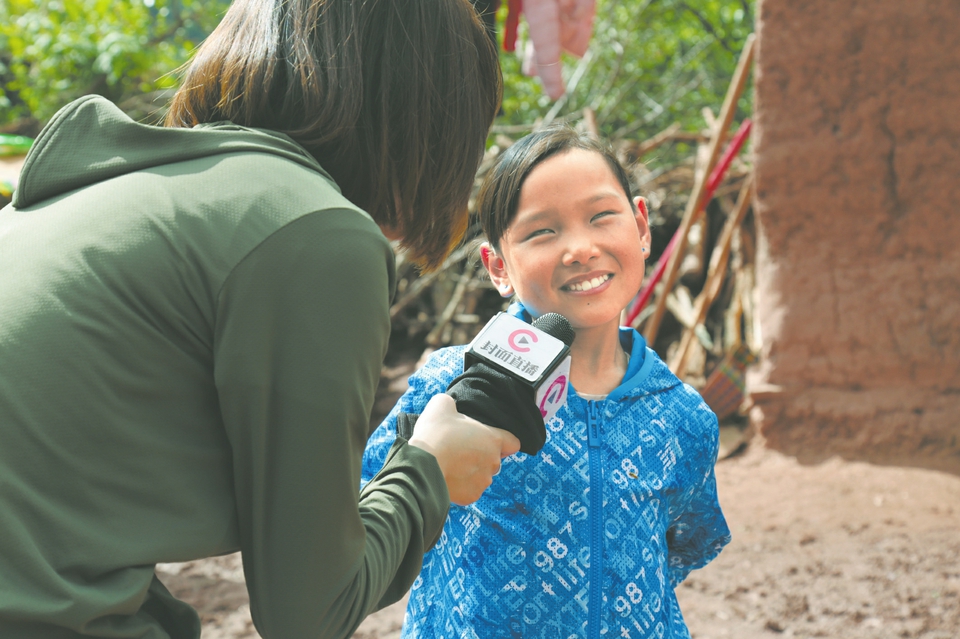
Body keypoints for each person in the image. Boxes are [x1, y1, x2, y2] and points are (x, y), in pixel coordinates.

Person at [0, 0, 519, 637]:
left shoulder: (106, 192)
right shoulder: (313, 230)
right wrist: (431, 469)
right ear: (428, 119)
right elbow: (309, 610)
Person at [362, 125, 731, 638]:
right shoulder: (453, 389)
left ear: (642, 228)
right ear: (498, 266)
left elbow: (682, 544)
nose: (580, 248)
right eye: (542, 232)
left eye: (602, 217)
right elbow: (370, 515)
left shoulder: (682, 416)